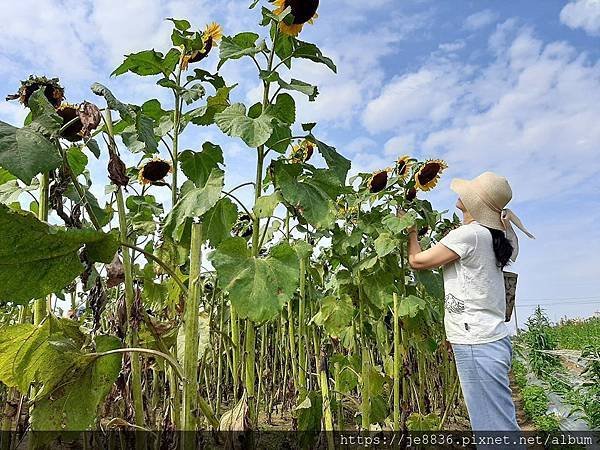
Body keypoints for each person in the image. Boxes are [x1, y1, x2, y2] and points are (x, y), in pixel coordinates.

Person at [398, 171, 535, 442]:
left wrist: (411, 231)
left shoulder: (469, 235)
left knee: (492, 429)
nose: (461, 195)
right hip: (487, 339)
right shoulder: (497, 236)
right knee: (499, 423)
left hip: (477, 343)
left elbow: (418, 261)